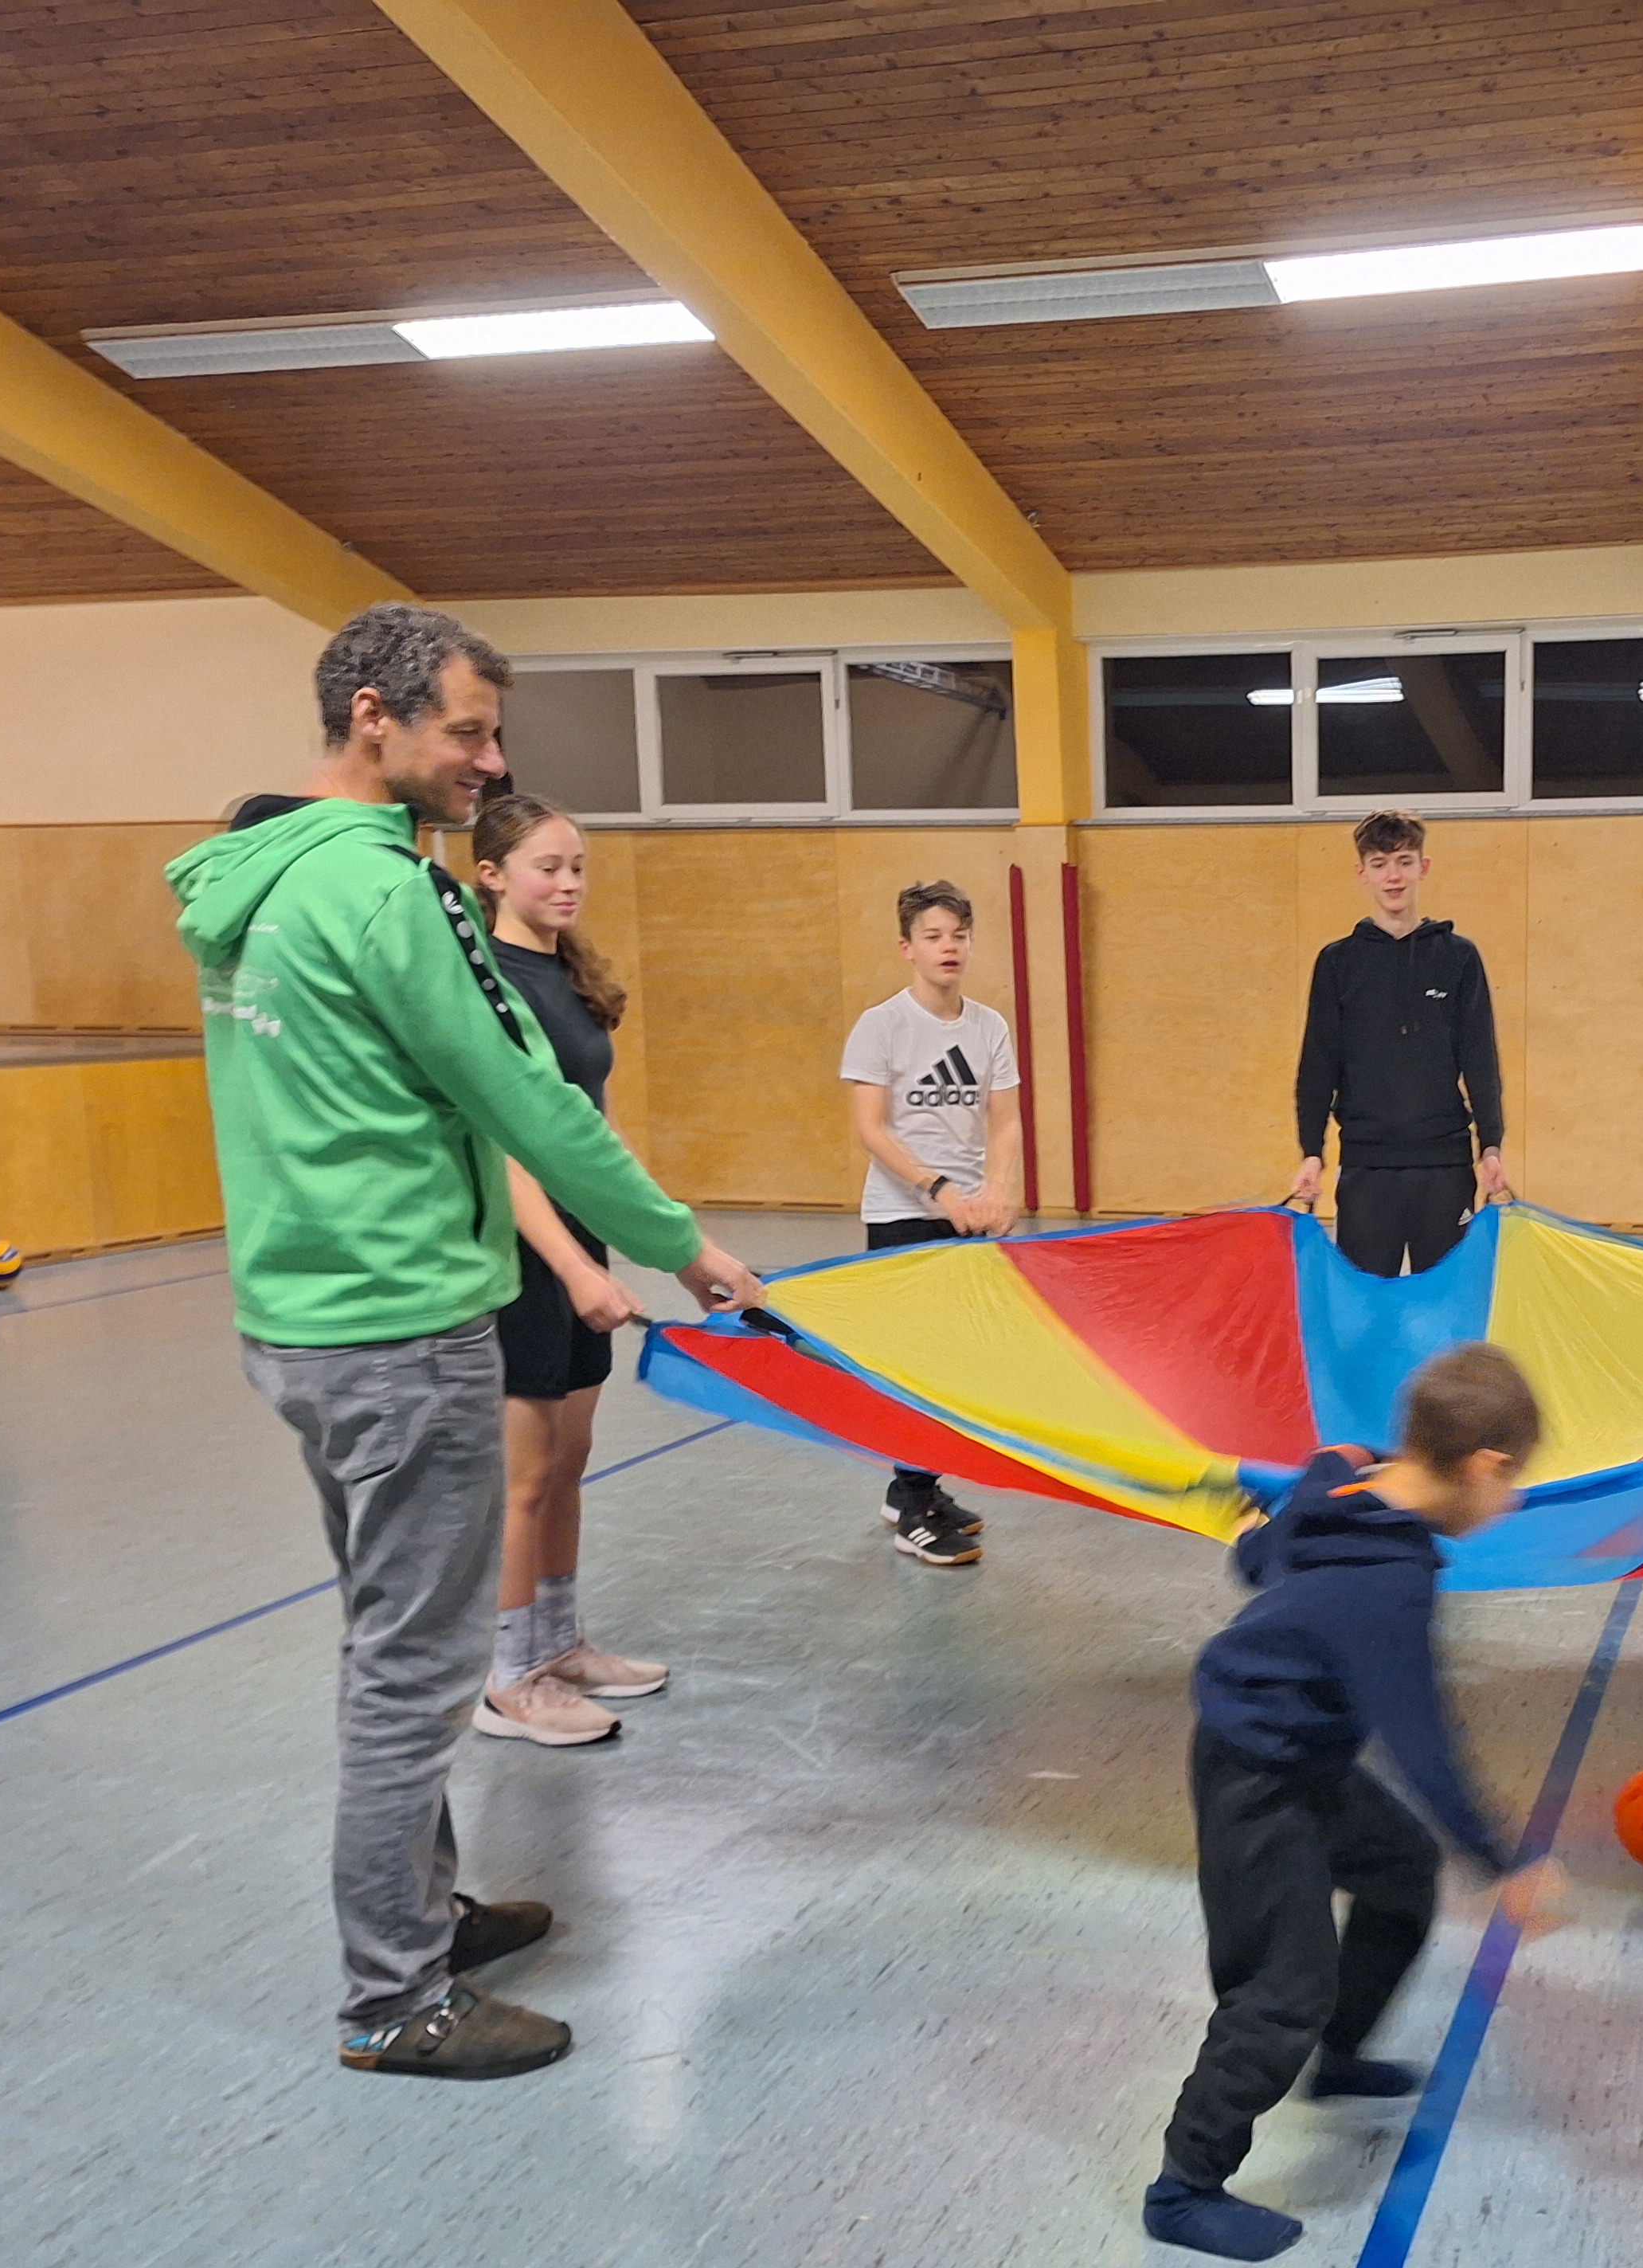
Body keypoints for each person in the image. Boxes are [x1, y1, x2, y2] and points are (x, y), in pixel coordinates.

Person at [170, 603, 765, 2082]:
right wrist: (684, 1241)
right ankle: (394, 1994)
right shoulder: (386, 895)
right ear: (373, 715)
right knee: (416, 1671)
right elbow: (526, 1102)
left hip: (299, 1319)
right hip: (403, 1321)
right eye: (467, 731)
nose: (490, 762)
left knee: (392, 1637)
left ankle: (423, 1909)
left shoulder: (258, 880)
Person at [1147, 1342, 1567, 2260]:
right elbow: (1421, 1740)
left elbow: (1265, 1553)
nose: (1515, 1503)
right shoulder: (1387, 1584)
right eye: (1514, 1484)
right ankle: (1184, 2187)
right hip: (1257, 1775)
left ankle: (1338, 2055)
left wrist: (1274, 1527)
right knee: (1279, 1987)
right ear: (1484, 1465)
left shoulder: (1344, 1481)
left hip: (1304, 1755)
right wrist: (1504, 1864)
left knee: (1399, 1871)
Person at [465, 793, 674, 1749]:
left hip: (579, 1242)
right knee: (527, 1472)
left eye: (577, 866)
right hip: (519, 1251)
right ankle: (508, 1677)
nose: (568, 883)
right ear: (492, 875)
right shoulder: (484, 984)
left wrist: (649, 1229)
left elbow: (592, 1125)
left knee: (573, 1460)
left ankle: (556, 1642)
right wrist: (568, 1266)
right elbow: (503, 1146)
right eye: (548, 866)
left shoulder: (570, 977)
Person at [842, 879, 1023, 1566]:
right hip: (902, 1215)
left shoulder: (988, 1026)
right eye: (933, 936)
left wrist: (998, 1188)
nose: (948, 948)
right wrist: (938, 1187)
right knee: (914, 1363)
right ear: (907, 948)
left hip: (970, 1217)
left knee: (959, 1360)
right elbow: (871, 1127)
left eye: (958, 935)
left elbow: (1003, 1120)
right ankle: (913, 1507)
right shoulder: (882, 1024)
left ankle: (914, 1484)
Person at [1288, 812, 1508, 1276]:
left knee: (1449, 1307)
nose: (1393, 875)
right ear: (1362, 872)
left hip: (1445, 1167)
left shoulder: (1459, 958)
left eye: (1405, 862)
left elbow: (1480, 1059)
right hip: (1368, 1169)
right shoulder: (1337, 963)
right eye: (1380, 863)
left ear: (1423, 868)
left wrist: (1491, 1145)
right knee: (1366, 1309)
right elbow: (1318, 1064)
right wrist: (1312, 1151)